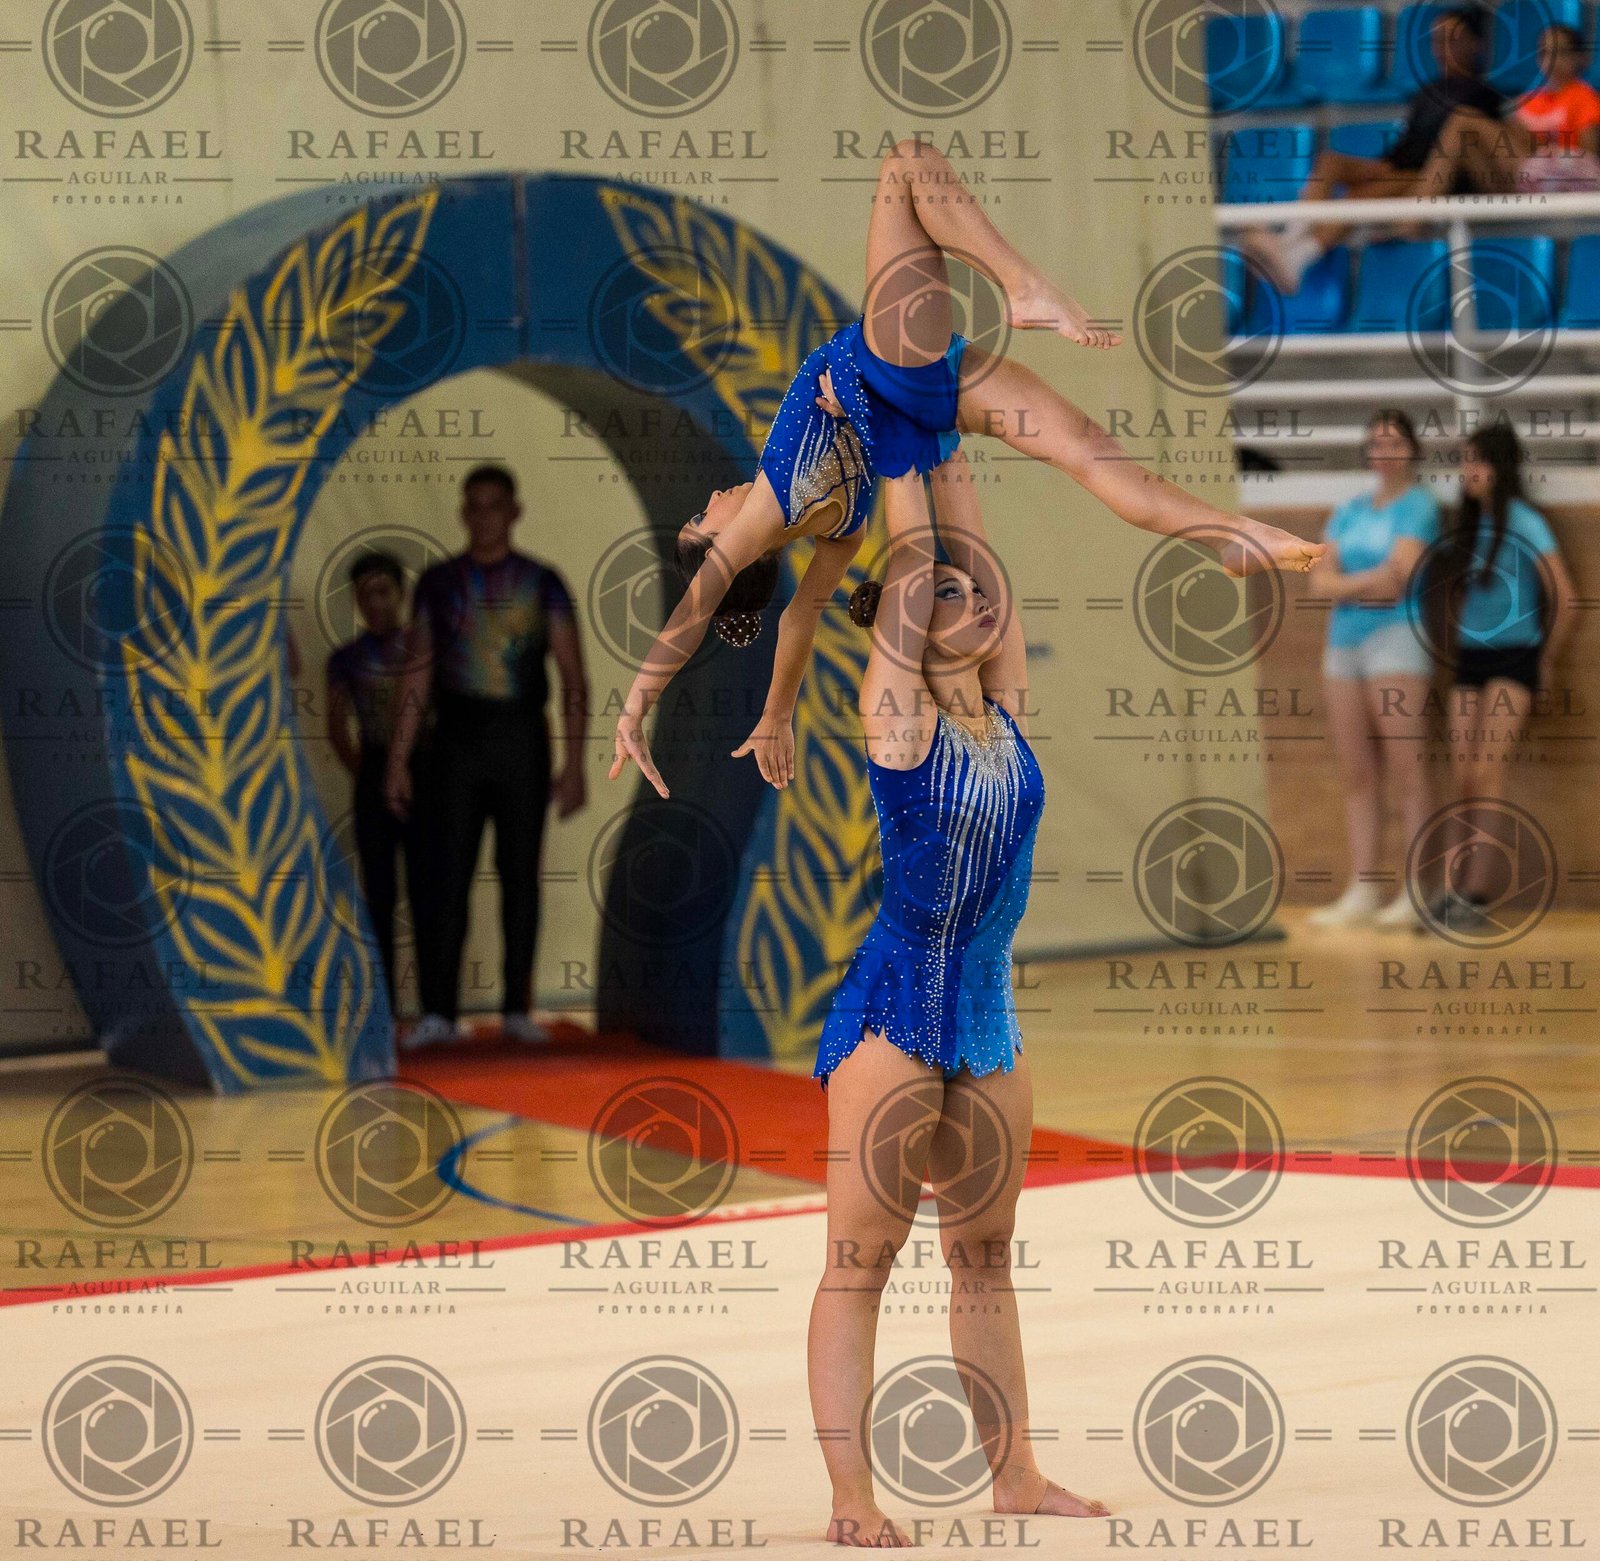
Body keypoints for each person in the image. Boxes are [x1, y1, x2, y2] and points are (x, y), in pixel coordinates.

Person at [612, 139, 1324, 798]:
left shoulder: (840, 533)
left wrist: (776, 716)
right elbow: (696, 610)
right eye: (704, 516)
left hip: (928, 389)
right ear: (731, 552)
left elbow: (799, 621)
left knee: (1089, 451)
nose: (713, 494)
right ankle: (1022, 286)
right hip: (890, 363)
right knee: (907, 164)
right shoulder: (771, 505)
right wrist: (636, 707)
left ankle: (1229, 535)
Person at [808, 451, 1107, 1547]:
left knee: (983, 1251)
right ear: (904, 619)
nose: (975, 599)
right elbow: (920, 552)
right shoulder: (900, 718)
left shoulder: (1002, 710)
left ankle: (1015, 1475)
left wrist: (943, 429)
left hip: (985, 1014)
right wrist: (896, 443)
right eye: (945, 594)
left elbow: (967, 544)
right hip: (895, 1011)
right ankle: (852, 1495)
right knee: (861, 1262)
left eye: (978, 592)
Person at [385, 465, 590, 1050]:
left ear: (514, 511)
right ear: (463, 513)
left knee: (520, 876)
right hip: (453, 741)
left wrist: (575, 765)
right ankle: (438, 1012)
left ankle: (516, 1011)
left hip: (521, 738)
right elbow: (416, 673)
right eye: (473, 506)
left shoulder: (542, 583)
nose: (483, 517)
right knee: (444, 877)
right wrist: (398, 760)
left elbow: (573, 677)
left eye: (494, 505)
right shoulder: (438, 583)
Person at [1244, 5, 1505, 295]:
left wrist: (1397, 171)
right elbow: (1409, 142)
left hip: (1433, 180)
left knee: (1357, 198)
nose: (1441, 48)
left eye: (1451, 39)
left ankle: (1297, 257)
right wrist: (1385, 165)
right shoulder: (1426, 93)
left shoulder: (1485, 97)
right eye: (1436, 40)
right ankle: (1291, 239)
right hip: (1401, 169)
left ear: (1475, 43)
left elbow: (1460, 157)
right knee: (1330, 162)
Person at [1433, 423, 1577, 932]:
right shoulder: (1471, 525)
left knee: (1487, 773)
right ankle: (1449, 888)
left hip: (1515, 657)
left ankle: (1475, 892)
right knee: (1462, 774)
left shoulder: (1525, 521)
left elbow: (1566, 598)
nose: (1469, 471)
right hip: (1471, 657)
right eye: (1465, 460)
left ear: (1500, 466)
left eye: (1479, 461)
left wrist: (1545, 659)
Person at [1308, 411, 1442, 930]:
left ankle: (1415, 888)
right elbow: (1319, 583)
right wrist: (1364, 583)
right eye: (1376, 443)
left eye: (1394, 442)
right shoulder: (1349, 510)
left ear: (1412, 450)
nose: (1384, 452)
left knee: (1408, 768)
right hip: (1343, 643)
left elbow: (1401, 579)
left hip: (1397, 638)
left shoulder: (1420, 506)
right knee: (1356, 771)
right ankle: (1363, 887)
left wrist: (1347, 584)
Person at [326, 551, 419, 1001]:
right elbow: (335, 726)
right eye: (366, 595)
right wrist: (365, 773)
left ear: (400, 593)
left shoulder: (424, 649)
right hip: (372, 773)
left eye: (384, 591)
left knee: (430, 889)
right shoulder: (346, 659)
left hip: (425, 773)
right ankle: (386, 1004)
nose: (376, 603)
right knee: (378, 893)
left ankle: (434, 1006)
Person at [1412, 23, 1600, 197]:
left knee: (1463, 120)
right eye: (1544, 53)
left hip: (1562, 179)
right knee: (1465, 146)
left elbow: (1589, 158)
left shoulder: (1584, 97)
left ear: (1580, 58)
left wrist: (1545, 148)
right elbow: (1512, 141)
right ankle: (1419, 205)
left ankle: (1416, 211)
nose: (1551, 61)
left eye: (1561, 53)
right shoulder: (1528, 100)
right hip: (1522, 176)